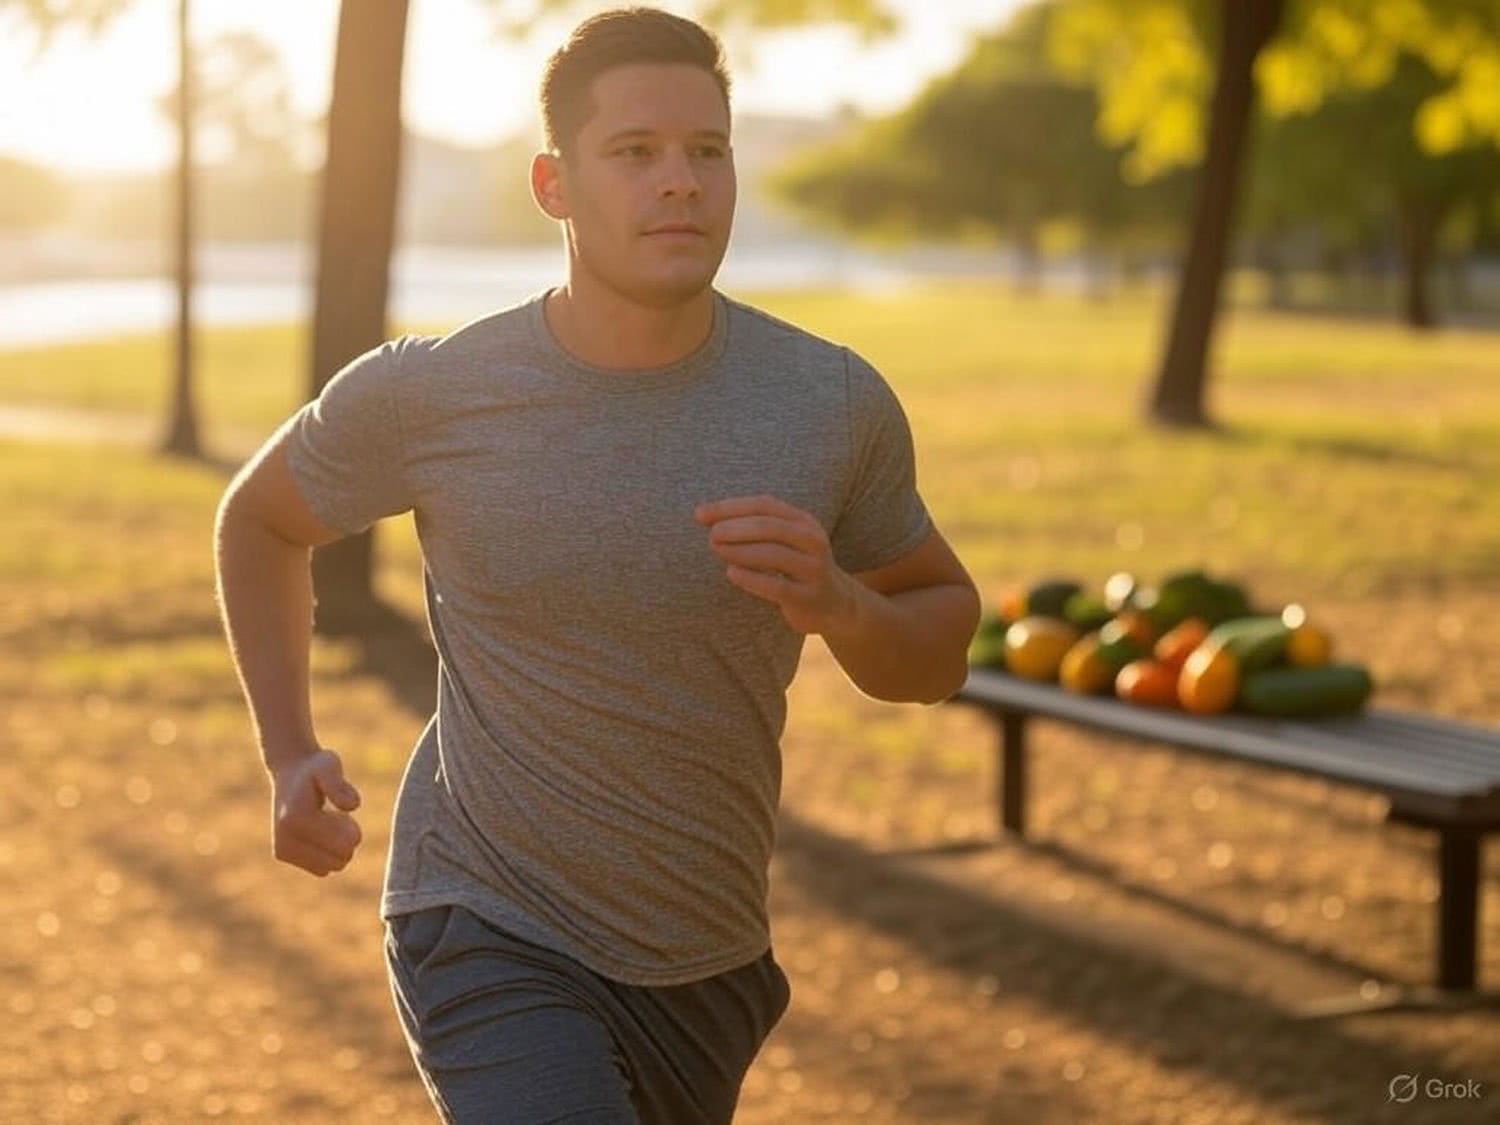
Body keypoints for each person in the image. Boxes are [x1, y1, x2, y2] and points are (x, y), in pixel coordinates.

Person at [214, 7, 980, 1122]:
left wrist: (841, 604)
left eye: (706, 152)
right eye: (635, 153)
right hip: (483, 918)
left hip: (705, 957)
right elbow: (261, 522)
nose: (681, 183)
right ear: (554, 184)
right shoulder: (435, 394)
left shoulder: (829, 404)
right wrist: (288, 752)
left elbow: (939, 650)